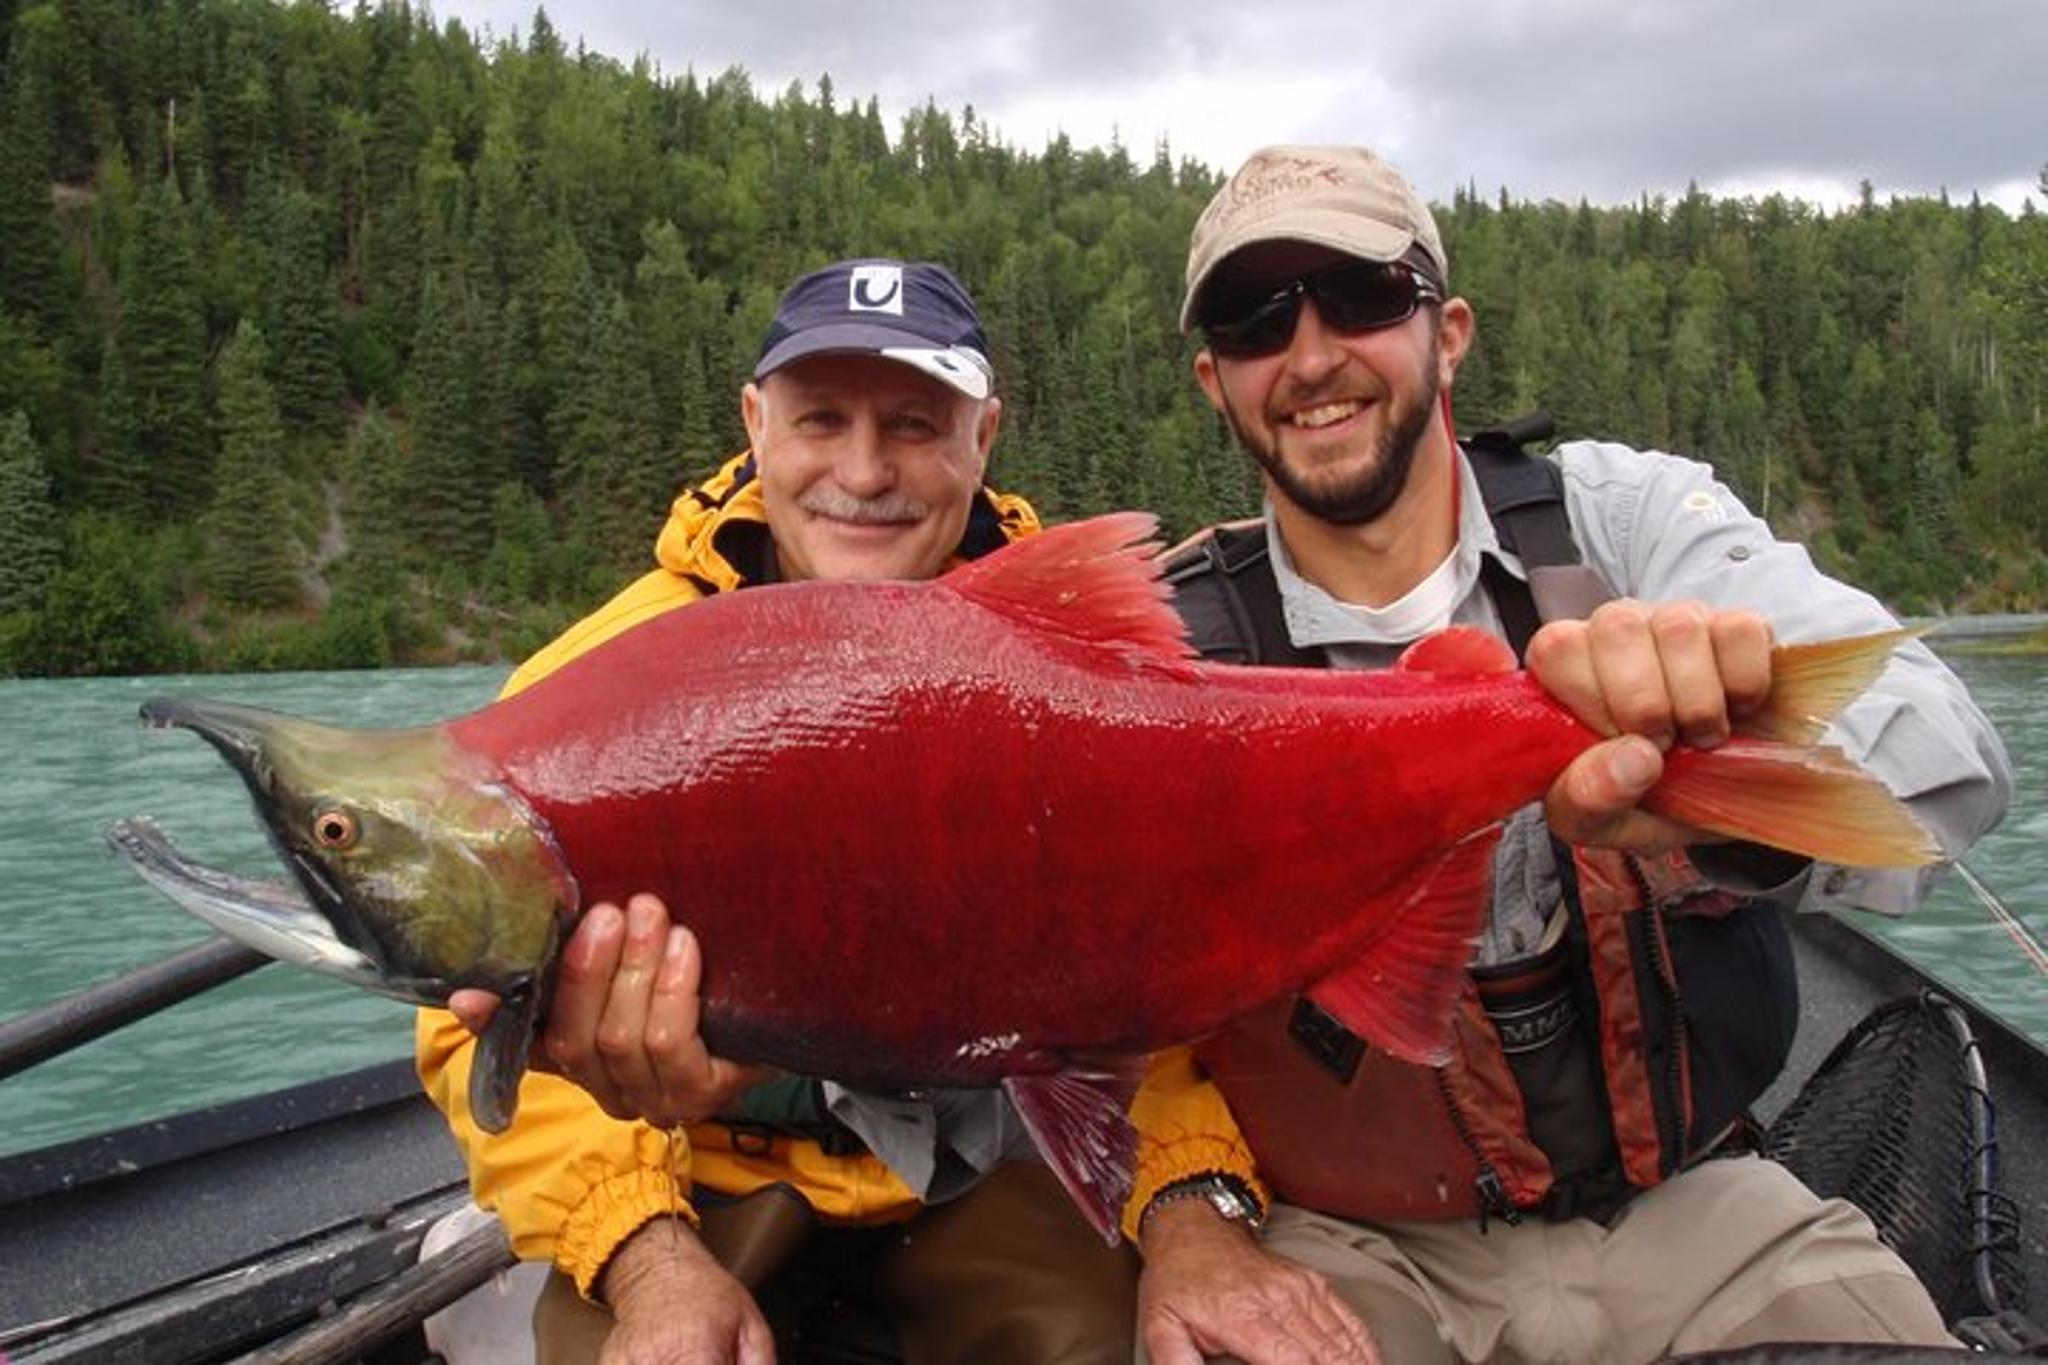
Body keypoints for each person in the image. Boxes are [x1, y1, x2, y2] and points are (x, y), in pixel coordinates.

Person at [1125, 146, 2013, 1365]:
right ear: (1213, 383)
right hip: (1341, 1244)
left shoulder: (1627, 525)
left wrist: (1727, 794)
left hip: (1696, 1206)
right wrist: (1187, 1216)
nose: (1312, 354)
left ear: (1447, 334)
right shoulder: (1159, 651)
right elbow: (1100, 1019)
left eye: (1365, 297)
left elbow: (1948, 751)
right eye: (1252, 320)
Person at [416, 258, 1140, 1365]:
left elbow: (1175, 967)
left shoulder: (1080, 667)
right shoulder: (592, 683)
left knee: (1094, 1341)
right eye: (819, 420)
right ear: (755, 424)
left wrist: (1196, 1199)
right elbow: (466, 1029)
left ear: (982, 438)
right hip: (688, 1181)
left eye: (911, 424)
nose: (861, 472)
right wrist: (644, 1257)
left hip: (978, 1173)